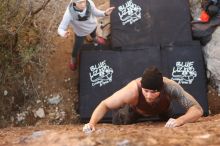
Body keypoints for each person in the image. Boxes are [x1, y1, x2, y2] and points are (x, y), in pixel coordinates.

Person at [83, 66, 204, 133]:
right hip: (135, 110)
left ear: (161, 89)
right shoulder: (131, 90)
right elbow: (105, 104)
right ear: (141, 86)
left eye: (154, 92)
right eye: (146, 91)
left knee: (173, 124)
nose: (149, 96)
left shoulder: (170, 87)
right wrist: (92, 123)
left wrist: (180, 120)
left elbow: (197, 109)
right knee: (120, 120)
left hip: (163, 109)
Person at [58, 0, 115, 71]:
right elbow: (60, 28)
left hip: (93, 26)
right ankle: (73, 59)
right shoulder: (69, 13)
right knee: (77, 47)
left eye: (84, 1)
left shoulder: (89, 3)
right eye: (80, 2)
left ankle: (95, 38)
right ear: (74, 2)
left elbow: (95, 12)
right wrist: (63, 33)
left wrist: (105, 13)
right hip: (80, 33)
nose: (83, 5)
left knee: (93, 34)